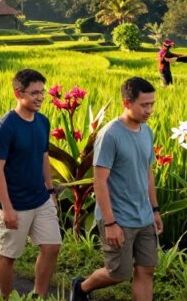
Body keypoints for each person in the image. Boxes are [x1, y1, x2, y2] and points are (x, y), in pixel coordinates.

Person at [71, 77, 162, 301]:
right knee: (118, 273)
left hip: (144, 216)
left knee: (146, 270)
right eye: (144, 105)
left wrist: (155, 209)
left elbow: (147, 172)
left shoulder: (147, 132)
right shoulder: (111, 134)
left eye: (151, 104)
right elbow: (99, 181)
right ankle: (81, 288)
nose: (149, 110)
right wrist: (110, 223)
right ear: (126, 103)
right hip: (119, 218)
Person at [0, 68, 62, 299]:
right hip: (14, 202)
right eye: (34, 93)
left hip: (40, 198)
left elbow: (43, 156)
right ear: (18, 93)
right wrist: (7, 208)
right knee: (9, 255)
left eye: (42, 92)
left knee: (52, 247)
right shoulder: (5, 127)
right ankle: (6, 296)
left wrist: (50, 189)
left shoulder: (42, 121)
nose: (40, 97)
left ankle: (38, 295)